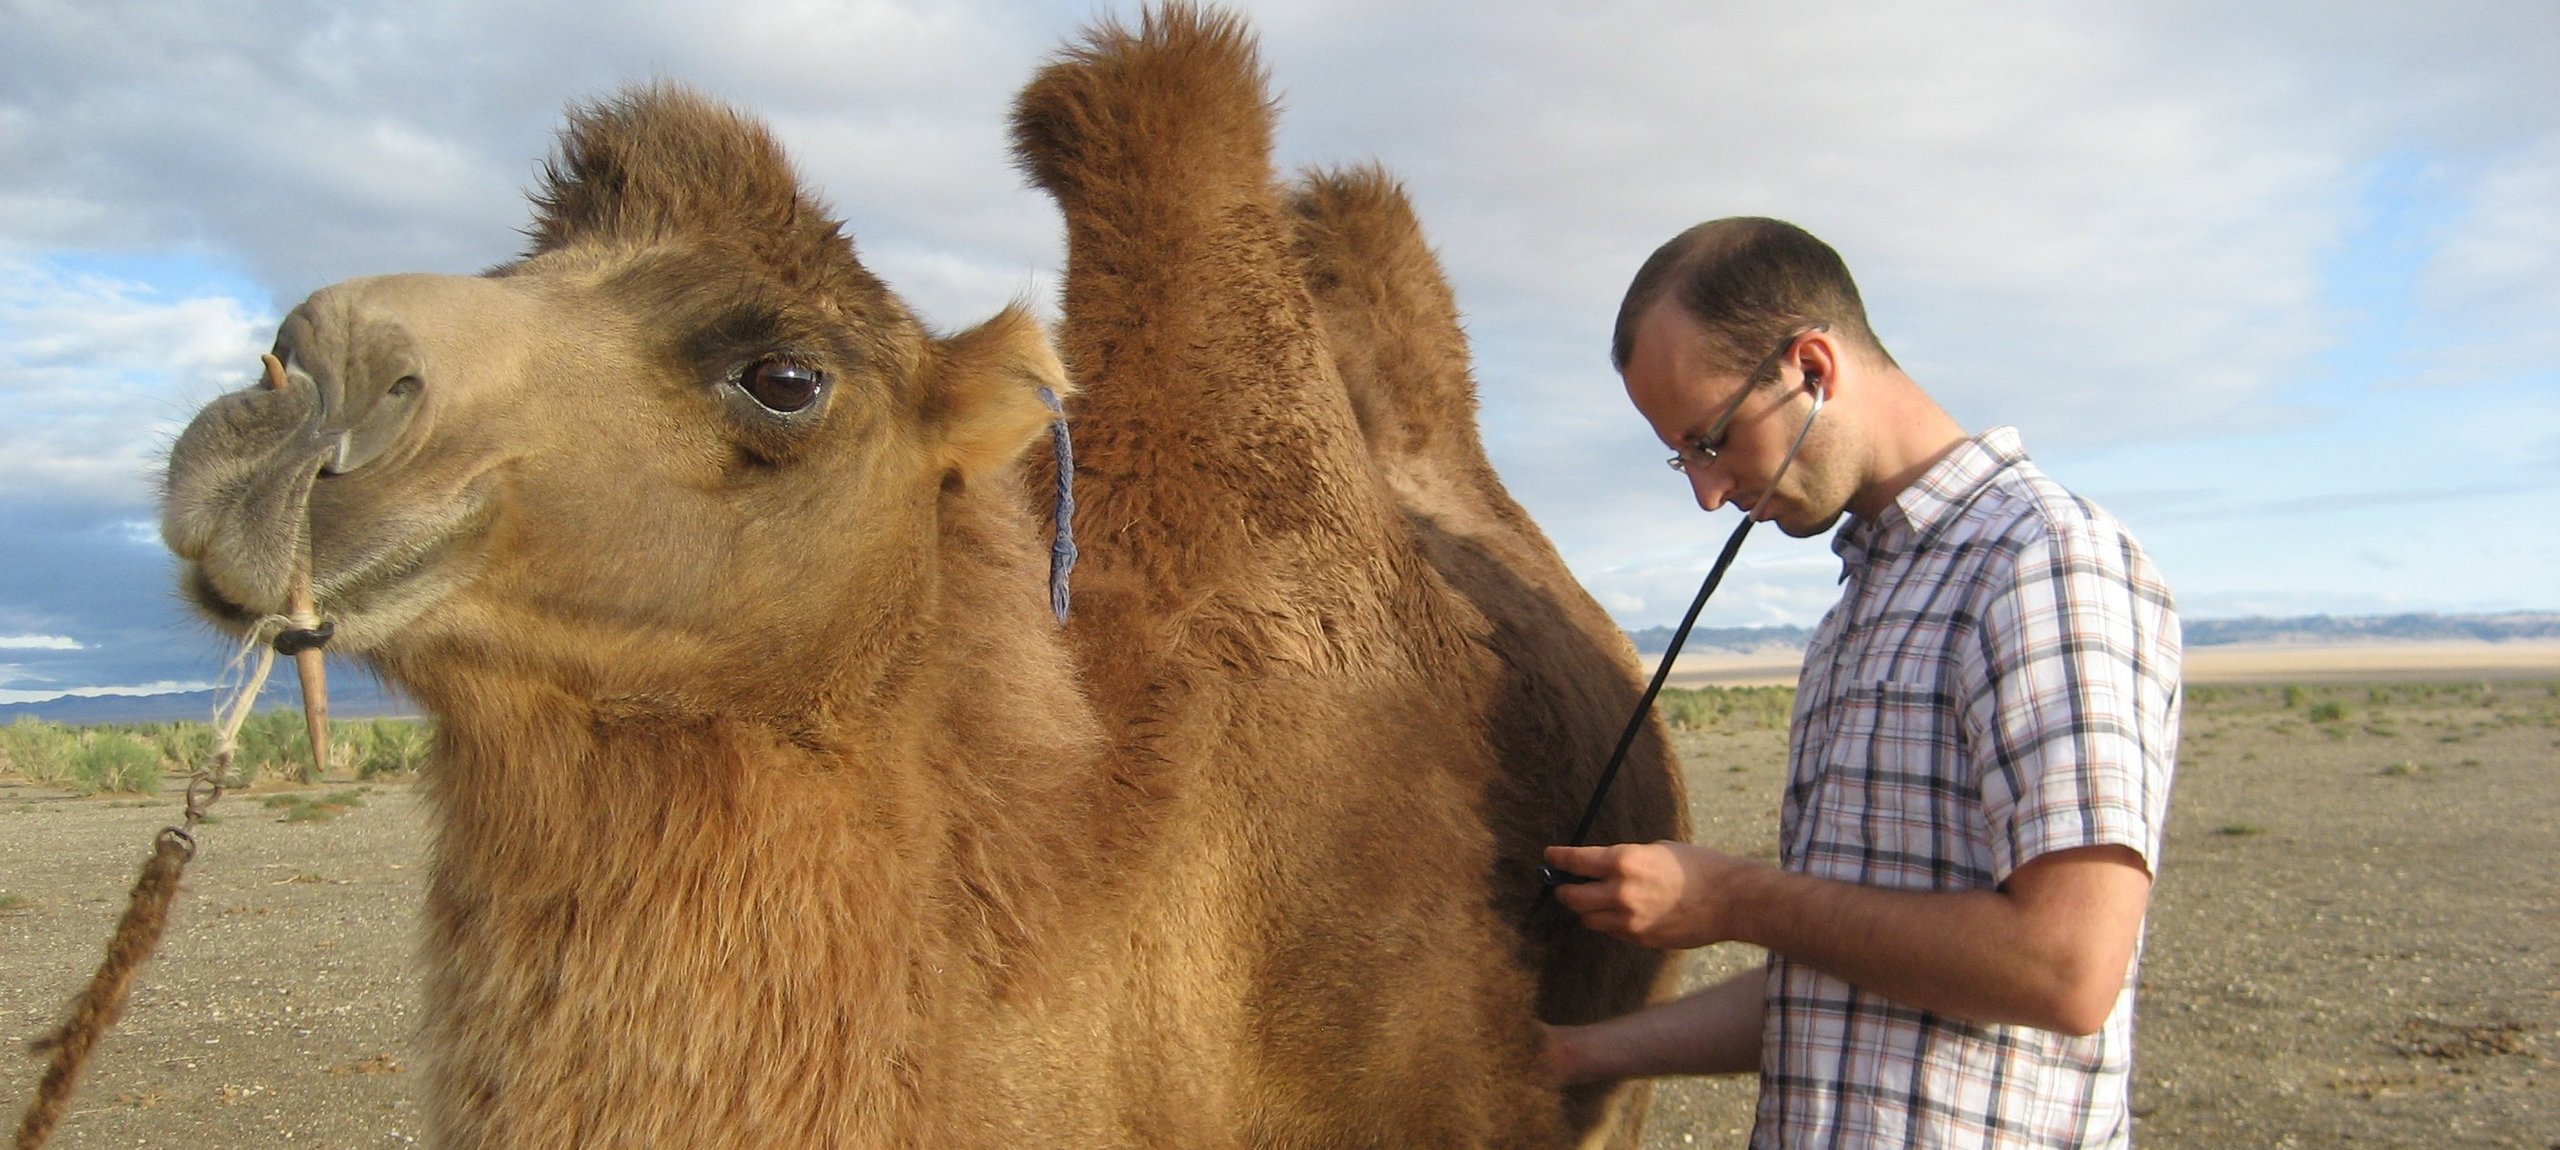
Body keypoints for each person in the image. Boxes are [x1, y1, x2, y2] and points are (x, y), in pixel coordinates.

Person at [1543, 218, 2180, 1149]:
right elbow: (1842, 988)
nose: (1708, 494)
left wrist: (1733, 901)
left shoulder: (2042, 562)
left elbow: (2066, 970)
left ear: (1812, 367)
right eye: (1684, 457)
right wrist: (1575, 1054)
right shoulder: (1864, 608)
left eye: (1712, 438)